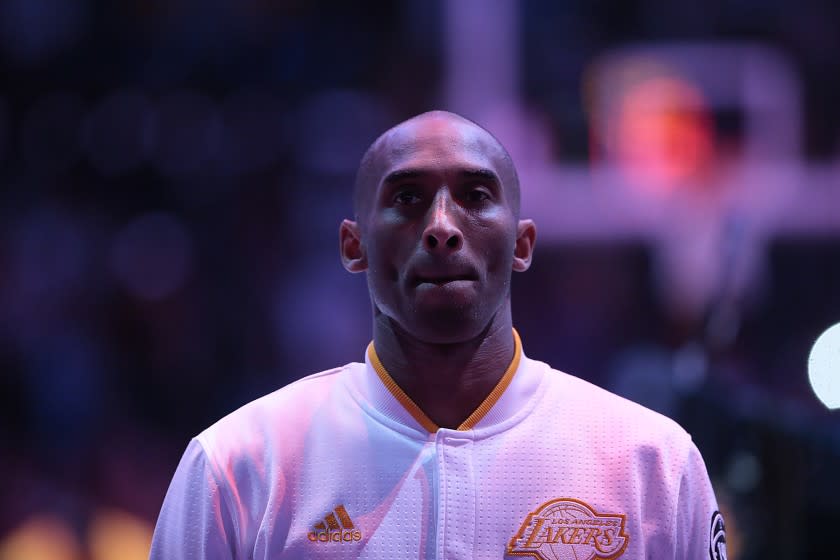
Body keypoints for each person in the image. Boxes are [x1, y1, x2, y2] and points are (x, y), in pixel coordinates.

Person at [150, 110, 727, 560]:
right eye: (407, 198)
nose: (443, 227)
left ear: (523, 244)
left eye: (476, 197)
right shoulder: (240, 465)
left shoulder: (651, 461)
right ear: (354, 246)